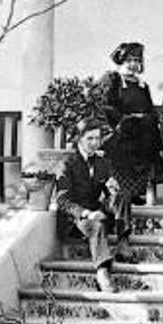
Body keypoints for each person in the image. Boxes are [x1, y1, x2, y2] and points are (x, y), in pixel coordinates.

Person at [55, 117, 121, 292]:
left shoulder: (102, 163)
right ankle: (103, 273)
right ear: (79, 139)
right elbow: (62, 201)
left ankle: (124, 241)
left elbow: (107, 191)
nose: (94, 143)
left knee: (124, 197)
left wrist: (112, 191)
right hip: (76, 219)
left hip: (97, 210)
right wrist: (87, 213)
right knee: (97, 226)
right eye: (89, 139)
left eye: (97, 139)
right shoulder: (67, 163)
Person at [99, 41, 163, 205]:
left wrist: (147, 118)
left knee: (150, 135)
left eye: (136, 61)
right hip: (120, 129)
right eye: (129, 60)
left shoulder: (142, 86)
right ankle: (124, 191)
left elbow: (150, 109)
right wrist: (124, 119)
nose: (133, 65)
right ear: (121, 61)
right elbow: (106, 106)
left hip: (142, 132)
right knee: (128, 140)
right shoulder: (113, 80)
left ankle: (137, 190)